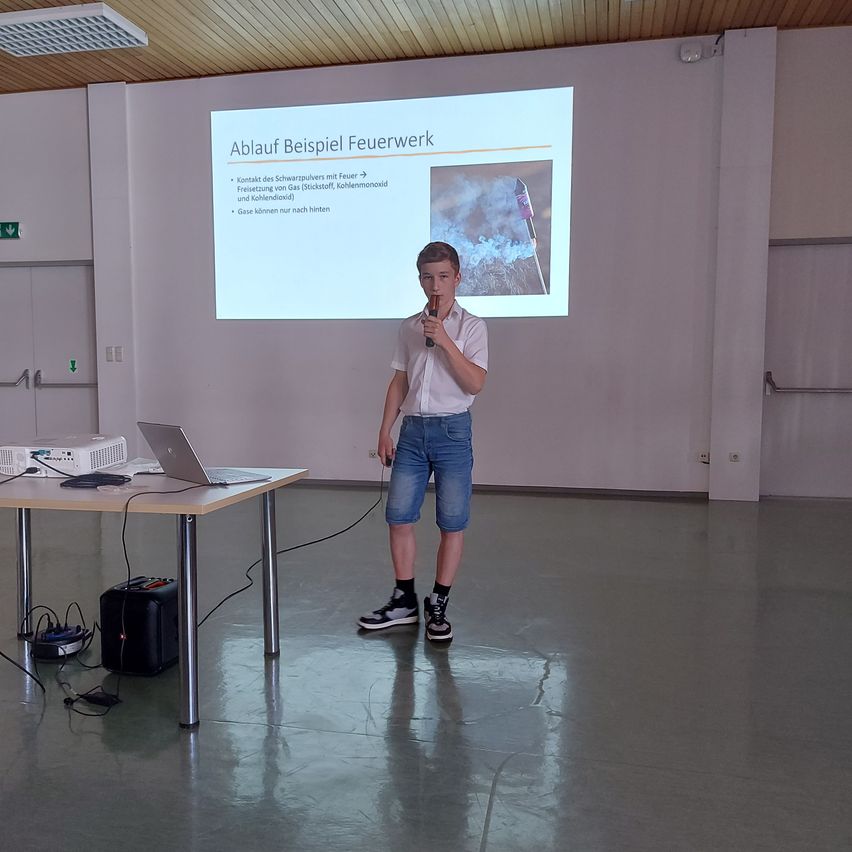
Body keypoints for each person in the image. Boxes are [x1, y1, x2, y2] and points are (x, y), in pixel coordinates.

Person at [358, 241, 488, 642]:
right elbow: (400, 380)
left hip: (452, 431)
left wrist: (446, 340)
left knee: (452, 522)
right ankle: (404, 601)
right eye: (428, 277)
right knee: (398, 516)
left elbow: (475, 384)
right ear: (419, 280)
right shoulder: (408, 327)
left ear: (458, 278)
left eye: (444, 277)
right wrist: (384, 429)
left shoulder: (473, 327)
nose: (436, 285)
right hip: (412, 432)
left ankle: (439, 604)